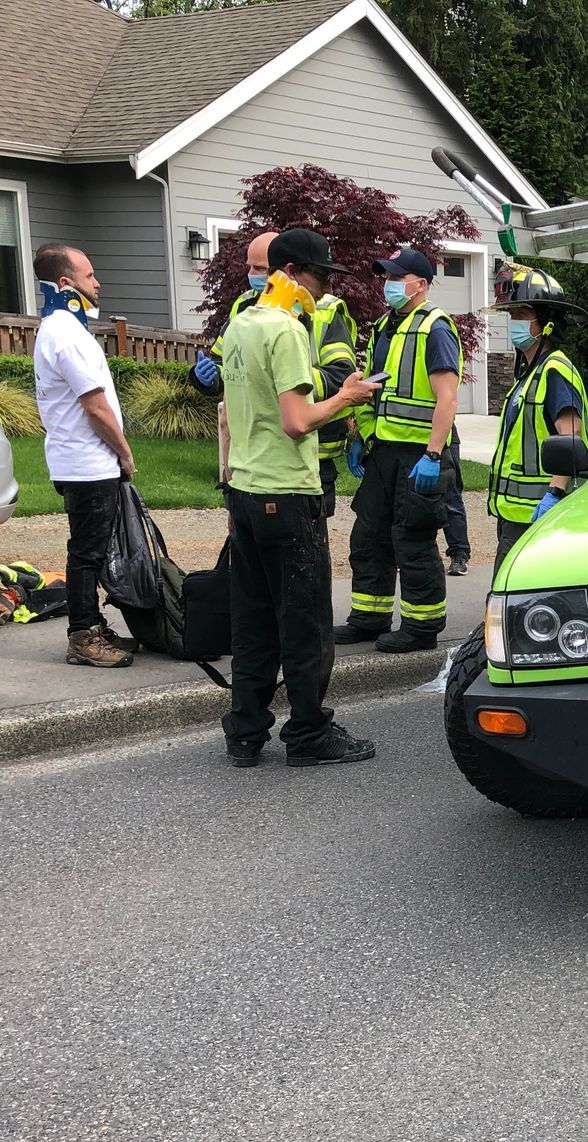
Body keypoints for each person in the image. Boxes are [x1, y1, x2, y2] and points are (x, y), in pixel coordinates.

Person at [219, 228, 381, 768]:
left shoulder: (240, 324)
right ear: (291, 273)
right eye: (318, 277)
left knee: (253, 620)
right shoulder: (286, 330)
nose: (321, 289)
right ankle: (309, 734)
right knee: (305, 624)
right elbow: (297, 421)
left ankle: (245, 733)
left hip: (243, 490)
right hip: (287, 495)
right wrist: (349, 396)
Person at [334, 247, 463, 651]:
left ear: (420, 284)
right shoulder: (384, 326)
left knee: (413, 540)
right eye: (386, 277)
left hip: (419, 454)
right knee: (369, 537)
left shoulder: (435, 328)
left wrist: (433, 454)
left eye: (396, 278)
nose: (388, 285)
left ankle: (422, 628)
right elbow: (375, 390)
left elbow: (448, 398)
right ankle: (369, 618)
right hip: (384, 452)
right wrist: (361, 439)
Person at [30, 242, 138, 669]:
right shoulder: (65, 334)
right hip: (87, 463)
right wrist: (125, 454)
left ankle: (92, 624)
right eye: (89, 275)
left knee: (89, 549)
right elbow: (95, 407)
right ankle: (83, 635)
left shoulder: (63, 330)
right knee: (88, 553)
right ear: (65, 283)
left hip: (81, 460)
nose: (98, 283)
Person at [483, 263, 588, 572]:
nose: (513, 323)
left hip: (541, 514)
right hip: (516, 514)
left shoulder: (555, 371)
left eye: (521, 315)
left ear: (546, 323)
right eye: (511, 315)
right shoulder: (529, 375)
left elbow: (571, 439)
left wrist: (554, 495)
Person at [189, 231, 277, 398]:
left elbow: (337, 373)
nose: (251, 274)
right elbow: (223, 358)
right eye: (250, 266)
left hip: (307, 420)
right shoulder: (243, 305)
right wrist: (212, 375)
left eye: (259, 268)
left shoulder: (318, 309)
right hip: (252, 418)